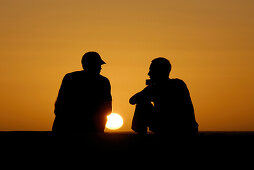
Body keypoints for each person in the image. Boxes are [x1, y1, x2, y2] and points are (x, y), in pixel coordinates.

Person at [129, 57, 198, 135]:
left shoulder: (159, 87)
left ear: (159, 71)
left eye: (151, 70)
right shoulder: (179, 84)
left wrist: (149, 89)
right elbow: (132, 100)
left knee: (142, 105)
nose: (149, 74)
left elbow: (132, 100)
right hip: (188, 129)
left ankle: (142, 139)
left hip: (174, 128)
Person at [52, 52, 112, 133]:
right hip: (87, 127)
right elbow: (108, 108)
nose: (100, 68)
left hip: (69, 126)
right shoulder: (103, 81)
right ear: (90, 65)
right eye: (98, 65)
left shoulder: (70, 77)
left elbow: (60, 103)